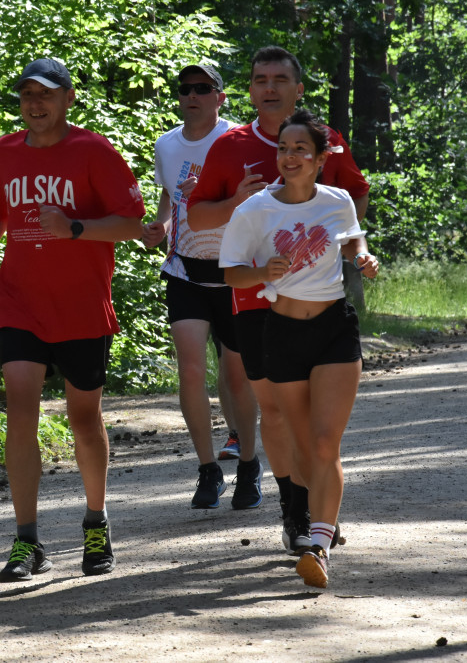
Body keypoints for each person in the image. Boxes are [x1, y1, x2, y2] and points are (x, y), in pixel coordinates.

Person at [0, 58, 145, 582]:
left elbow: (131, 224)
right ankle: (27, 541)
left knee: (83, 420)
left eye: (44, 95)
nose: (33, 104)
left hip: (81, 305)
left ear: (68, 98)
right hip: (20, 301)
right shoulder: (5, 151)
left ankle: (96, 521)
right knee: (19, 410)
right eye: (26, 95)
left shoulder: (92, 151)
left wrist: (72, 227)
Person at [187, 46, 370, 554]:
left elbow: (354, 196)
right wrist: (237, 201)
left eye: (279, 79)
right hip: (255, 301)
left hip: (320, 299)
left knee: (317, 425)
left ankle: (319, 518)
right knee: (277, 411)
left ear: (298, 89)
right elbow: (197, 218)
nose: (268, 87)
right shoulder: (229, 146)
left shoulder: (325, 140)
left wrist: (346, 249)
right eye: (259, 79)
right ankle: (296, 510)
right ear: (249, 90)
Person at [219, 109, 379, 588]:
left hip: (333, 328)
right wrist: (262, 272)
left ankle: (318, 546)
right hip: (282, 332)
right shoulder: (255, 210)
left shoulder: (337, 200)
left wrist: (362, 255)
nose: (289, 157)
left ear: (320, 157)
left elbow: (350, 240)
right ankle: (317, 519)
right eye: (283, 149)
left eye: (299, 150)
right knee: (305, 440)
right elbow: (231, 273)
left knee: (327, 441)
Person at [142, 64, 260, 510]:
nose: (192, 95)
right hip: (185, 270)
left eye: (202, 88)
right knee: (190, 368)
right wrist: (160, 225)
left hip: (235, 271)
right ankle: (208, 470)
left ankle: (249, 463)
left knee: (235, 374)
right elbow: (170, 199)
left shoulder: (240, 140)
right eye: (185, 89)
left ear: (220, 97)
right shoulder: (166, 145)